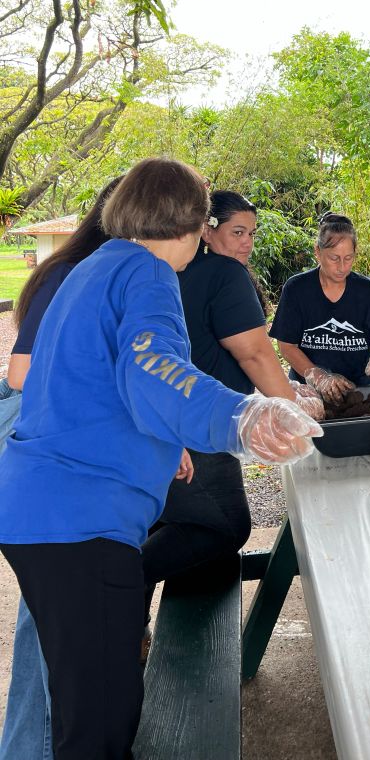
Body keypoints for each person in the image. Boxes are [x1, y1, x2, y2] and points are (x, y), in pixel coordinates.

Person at [0, 158, 322, 760]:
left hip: (38, 510)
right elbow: (156, 367)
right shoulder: (149, 273)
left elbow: (78, 383)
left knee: (85, 706)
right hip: (80, 524)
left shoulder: (90, 268)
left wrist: (160, 438)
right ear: (198, 225)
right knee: (100, 725)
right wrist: (241, 417)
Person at [142, 190, 322, 623]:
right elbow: (255, 354)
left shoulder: (170, 273)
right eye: (237, 232)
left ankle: (129, 629)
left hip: (156, 420)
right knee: (225, 524)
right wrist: (293, 404)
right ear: (207, 229)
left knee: (161, 521)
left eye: (252, 234)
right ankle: (114, 583)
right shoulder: (224, 274)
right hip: (204, 425)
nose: (246, 243)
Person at [0, 178, 123, 760]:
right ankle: (33, 746)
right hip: (36, 445)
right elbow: (23, 373)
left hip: (64, 450)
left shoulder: (118, 273)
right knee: (50, 619)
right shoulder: (72, 273)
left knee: (62, 612)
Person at [271, 213, 370, 403]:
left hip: (358, 392)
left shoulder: (368, 292)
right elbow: (287, 346)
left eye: (348, 258)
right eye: (334, 258)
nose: (342, 267)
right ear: (317, 252)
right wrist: (320, 377)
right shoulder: (297, 289)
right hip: (308, 393)